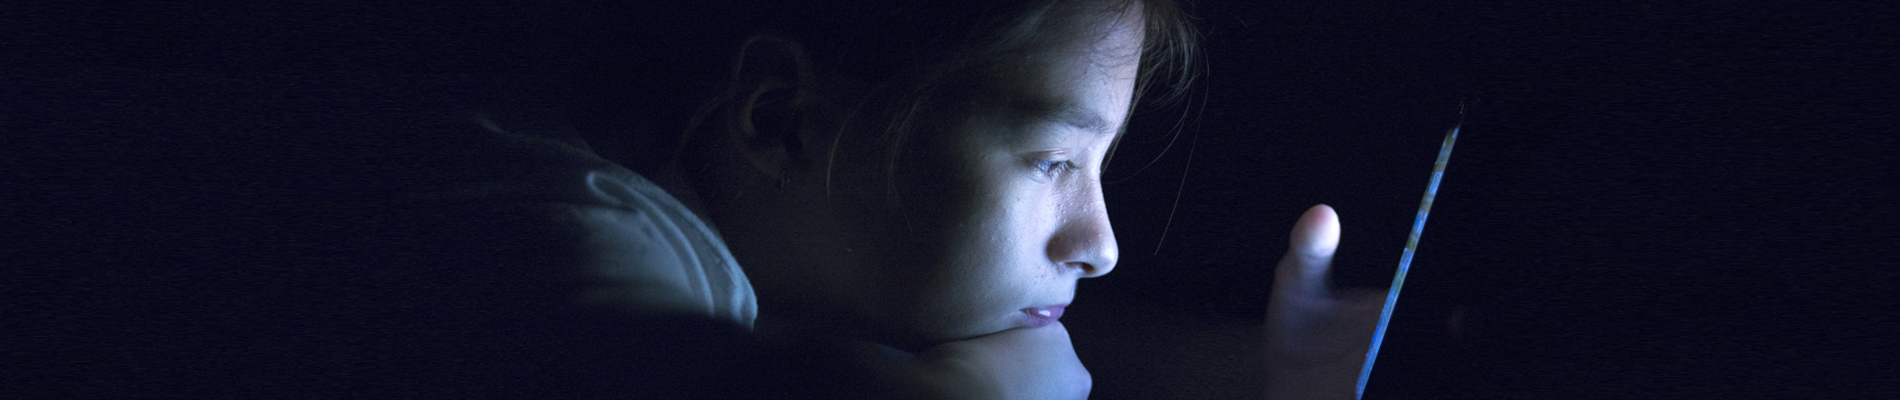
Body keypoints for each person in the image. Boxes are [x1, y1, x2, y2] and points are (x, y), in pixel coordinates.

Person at [345, 0, 1382, 397]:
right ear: (785, 124)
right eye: (1050, 161)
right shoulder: (548, 225)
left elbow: (1000, 332)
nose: (1099, 242)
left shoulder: (770, 238)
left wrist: (1261, 372)